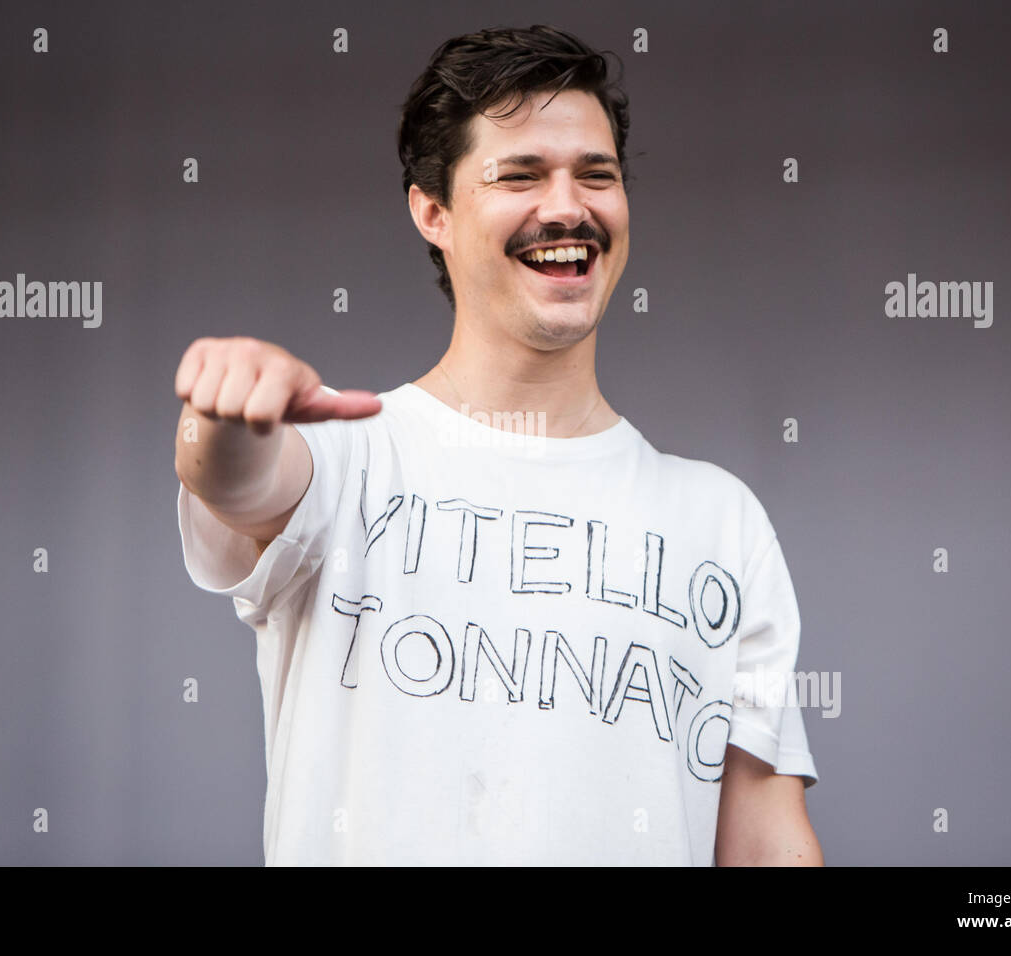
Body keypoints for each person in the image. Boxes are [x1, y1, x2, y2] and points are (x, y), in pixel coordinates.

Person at [173, 25, 823, 866]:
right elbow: (237, 481)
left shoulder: (723, 521)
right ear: (432, 211)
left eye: (597, 174)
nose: (568, 207)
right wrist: (223, 413)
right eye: (520, 174)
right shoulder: (350, 454)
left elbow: (768, 842)